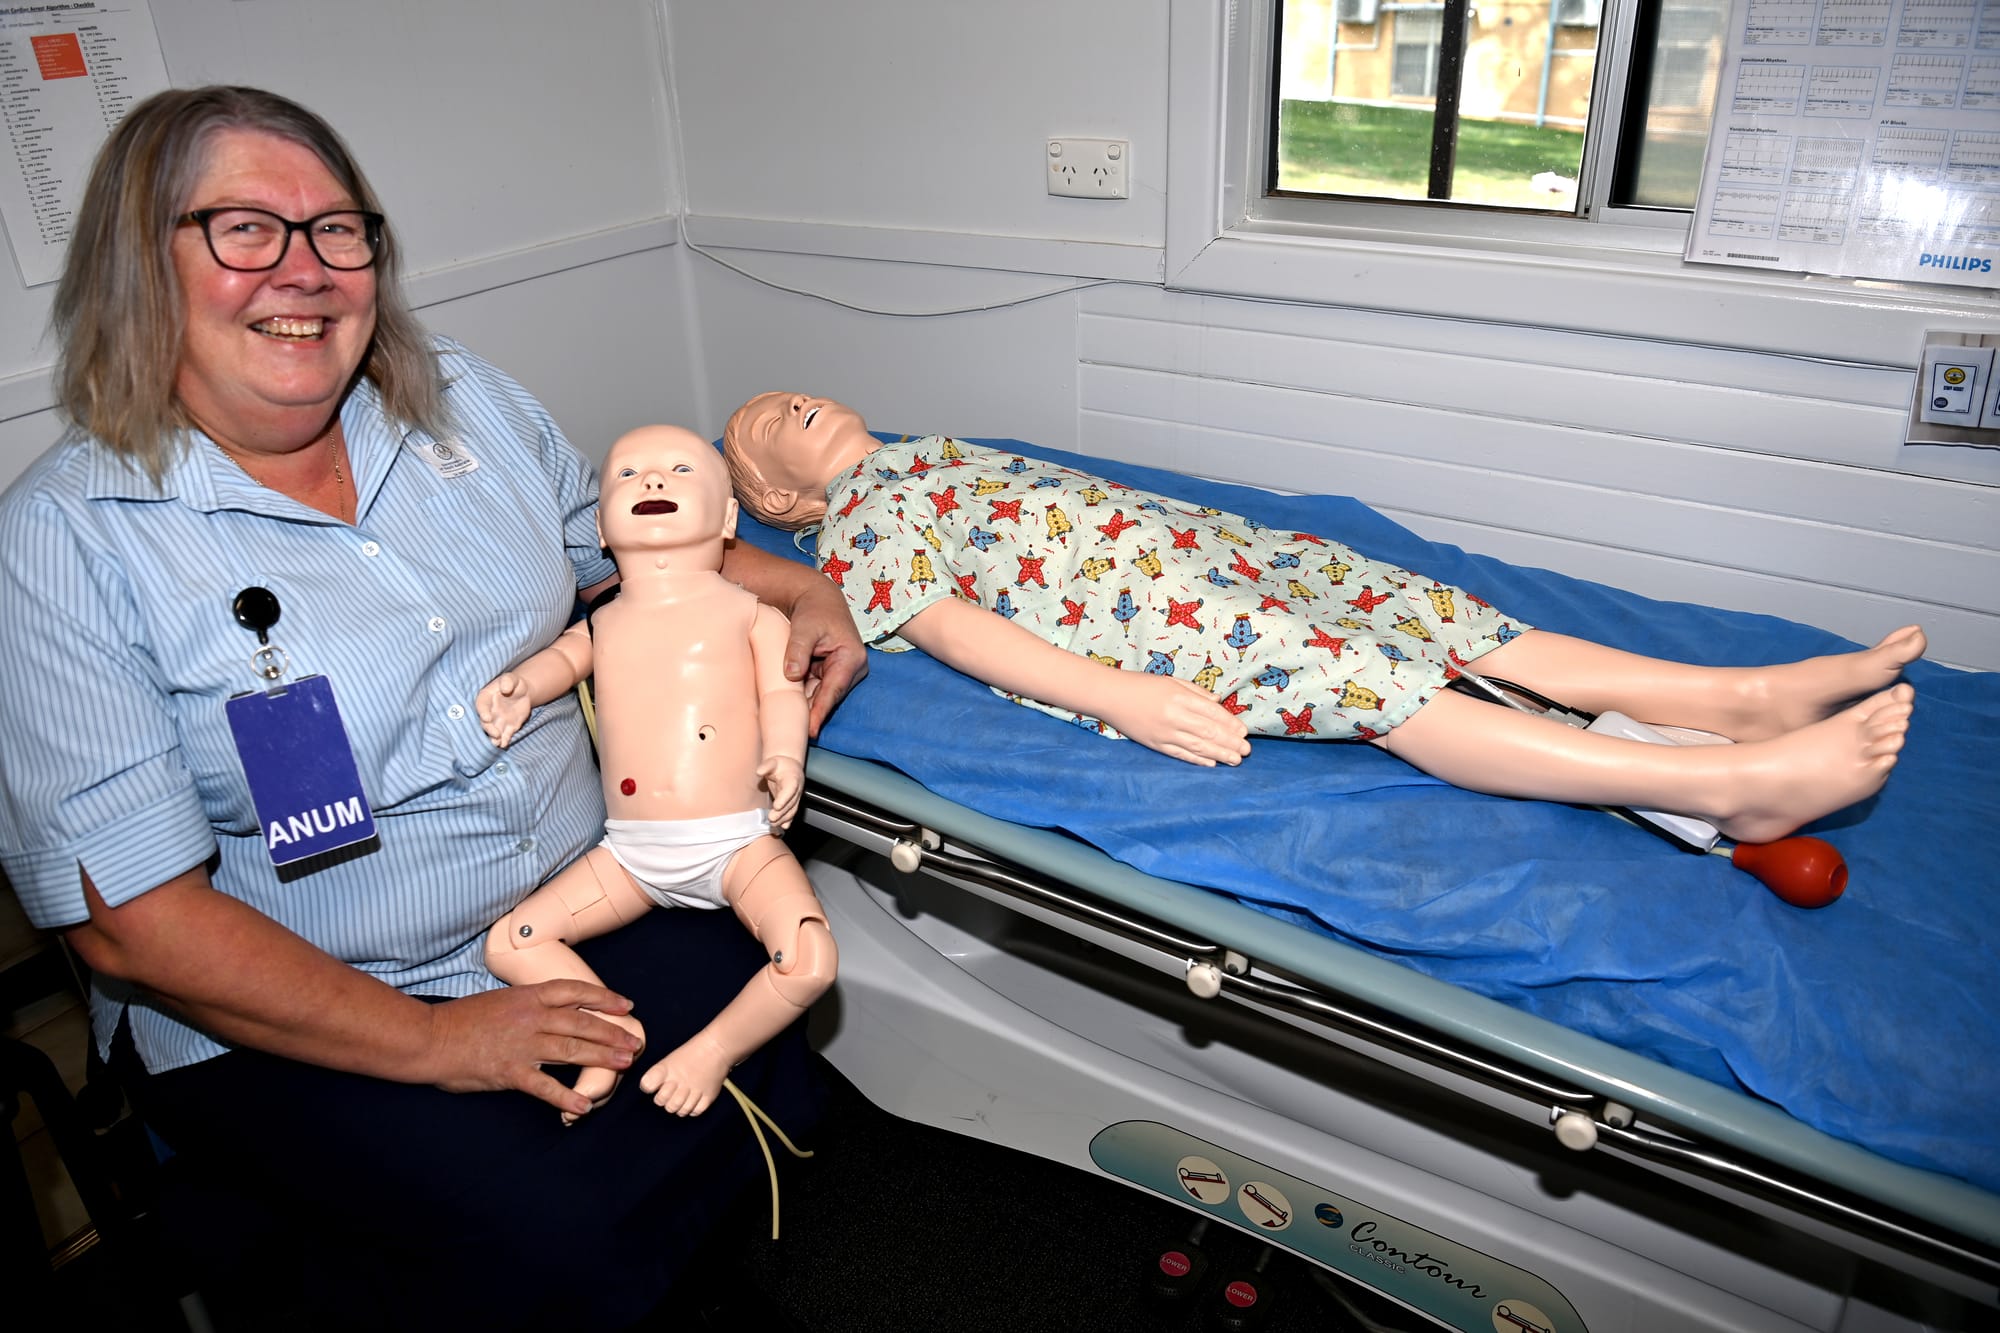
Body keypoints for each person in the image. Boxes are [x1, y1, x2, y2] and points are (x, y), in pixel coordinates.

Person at [0, 88, 863, 1329]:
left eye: (337, 229)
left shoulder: (462, 402)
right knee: (554, 1211)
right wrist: (436, 1040)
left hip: (575, 894)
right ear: (142, 264)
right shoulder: (63, 542)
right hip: (312, 998)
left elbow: (625, 554)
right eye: (245, 229)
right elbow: (135, 929)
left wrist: (803, 592)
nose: (304, 270)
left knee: (771, 1004)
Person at [723, 392, 1921, 846]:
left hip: (1214, 553)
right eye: (764, 421)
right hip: (1150, 616)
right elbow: (951, 630)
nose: (786, 396)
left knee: (1422, 610)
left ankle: (1737, 697)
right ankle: (1718, 786)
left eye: (790, 390)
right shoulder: (861, 521)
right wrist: (1121, 695)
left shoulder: (932, 443)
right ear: (781, 501)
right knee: (1375, 681)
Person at [477, 425, 836, 1123]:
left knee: (811, 957)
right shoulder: (602, 624)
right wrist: (521, 682)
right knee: (511, 942)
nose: (652, 481)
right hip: (630, 856)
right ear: (602, 530)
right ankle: (611, 1035)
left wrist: (787, 756)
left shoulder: (751, 615)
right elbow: (559, 661)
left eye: (679, 469)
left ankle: (711, 1051)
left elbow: (785, 692)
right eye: (628, 474)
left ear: (728, 519)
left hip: (736, 844)